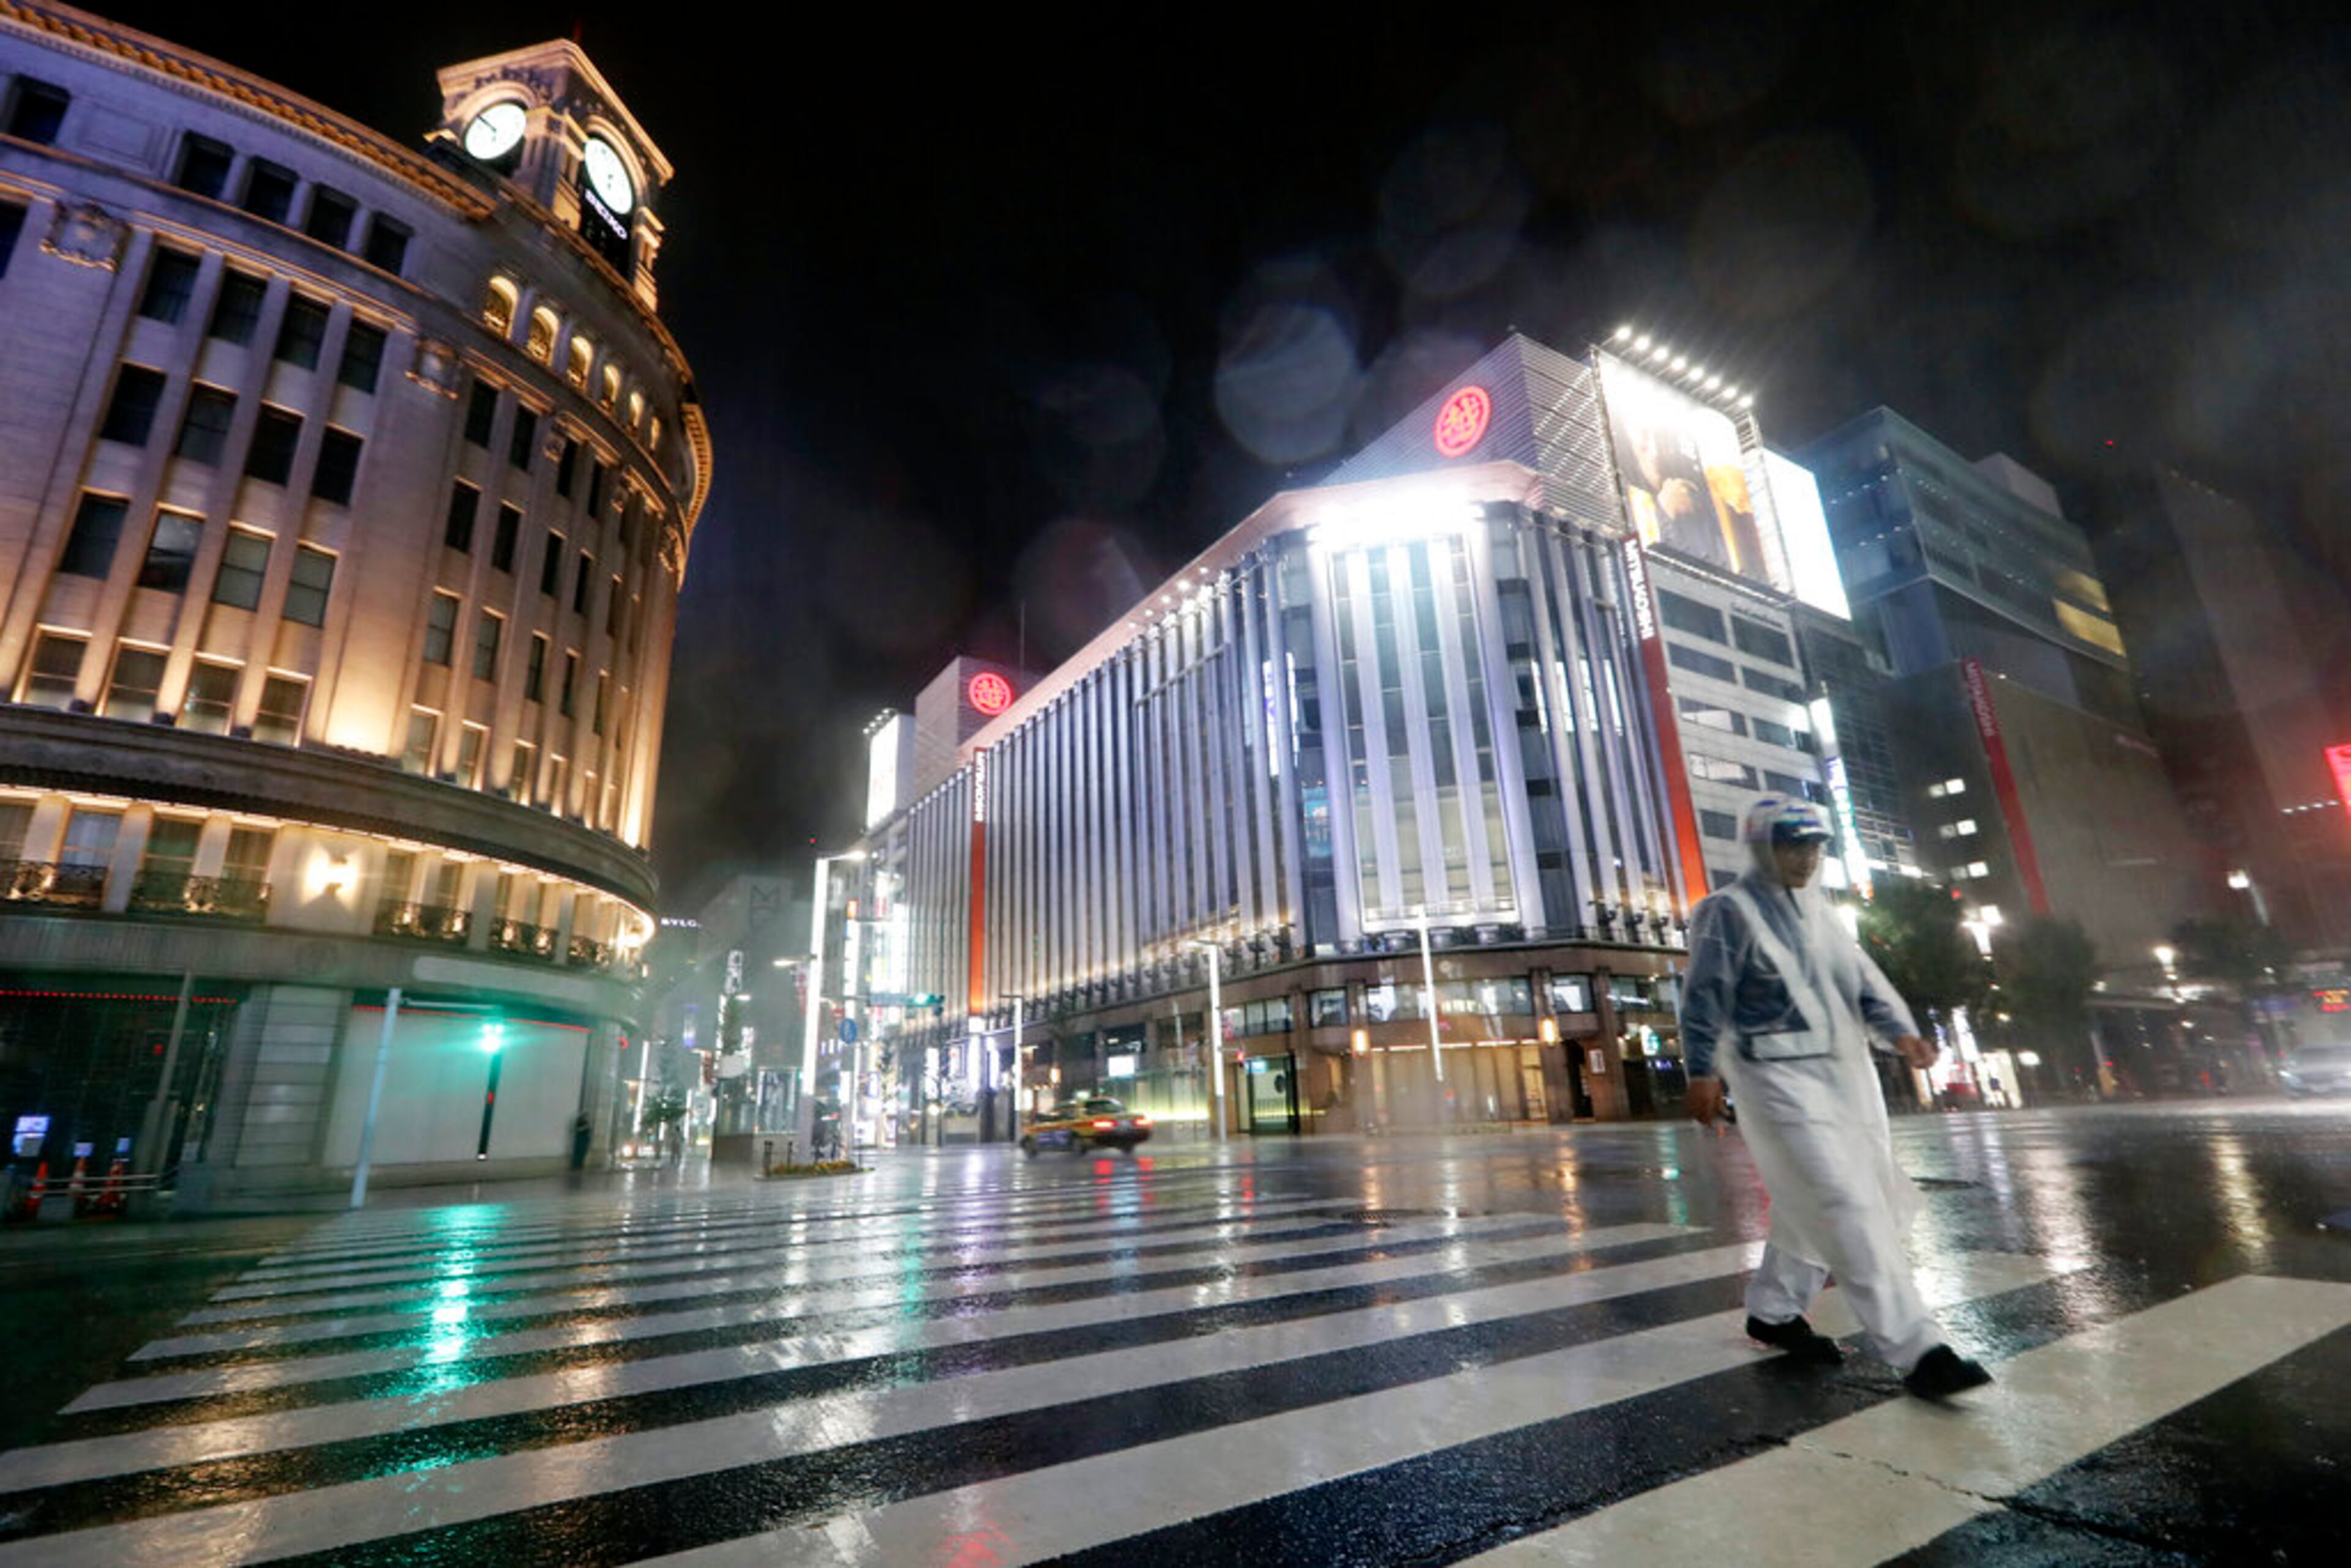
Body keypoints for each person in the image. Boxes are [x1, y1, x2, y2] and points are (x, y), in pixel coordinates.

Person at [1678, 795, 1993, 1400]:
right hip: (1774, 1073)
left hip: (1846, 1070)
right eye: (1793, 844)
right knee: (1846, 1200)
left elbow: (1863, 980)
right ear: (1763, 848)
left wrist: (1900, 1030)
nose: (1807, 857)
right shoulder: (1727, 911)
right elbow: (1705, 993)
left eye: (1815, 845)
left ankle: (1773, 1309)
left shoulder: (1819, 914)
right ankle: (1918, 1348)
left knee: (1833, 1195)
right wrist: (1701, 1069)